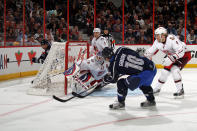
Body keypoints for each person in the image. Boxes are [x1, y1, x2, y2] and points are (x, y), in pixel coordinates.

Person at [144, 27, 191, 98]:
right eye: (156, 35)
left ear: (163, 35)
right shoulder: (157, 42)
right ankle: (157, 88)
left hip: (184, 55)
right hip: (172, 56)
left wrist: (172, 58)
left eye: (158, 35)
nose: (156, 37)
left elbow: (181, 51)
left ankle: (180, 90)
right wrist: (145, 56)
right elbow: (151, 51)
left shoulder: (172, 39)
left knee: (175, 70)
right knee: (164, 72)